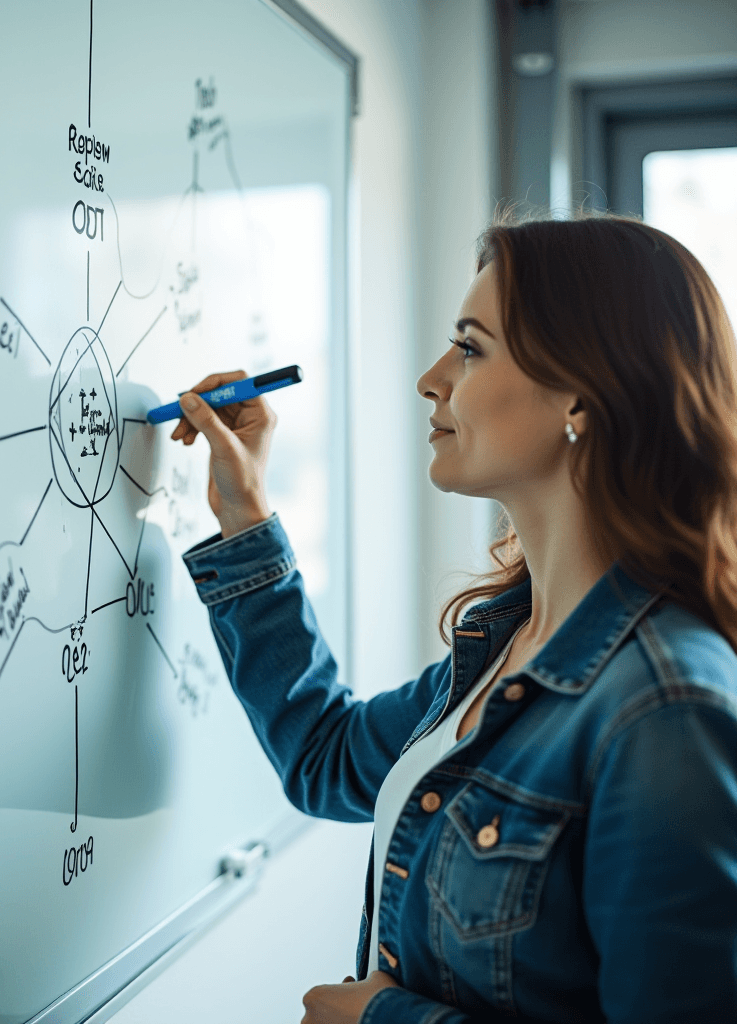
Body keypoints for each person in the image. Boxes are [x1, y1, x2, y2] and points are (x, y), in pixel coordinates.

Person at [170, 209, 737, 1024]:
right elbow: (326, 757)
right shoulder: (513, 641)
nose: (431, 378)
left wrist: (383, 1019)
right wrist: (246, 519)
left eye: (470, 347)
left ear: (581, 393)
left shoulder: (665, 710)